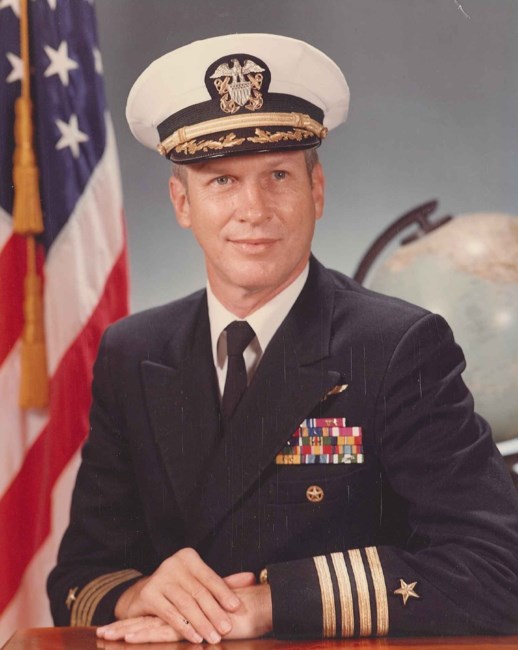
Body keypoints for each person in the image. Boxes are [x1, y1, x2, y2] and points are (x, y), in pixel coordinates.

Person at [47, 33, 518, 643]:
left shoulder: (398, 347)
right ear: (180, 202)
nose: (255, 209)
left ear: (316, 191)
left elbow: (497, 567)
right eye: (221, 181)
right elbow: (77, 580)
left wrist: (274, 603)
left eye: (277, 175)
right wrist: (139, 592)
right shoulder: (133, 352)